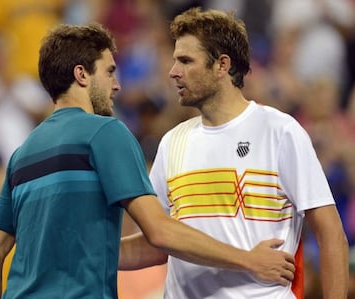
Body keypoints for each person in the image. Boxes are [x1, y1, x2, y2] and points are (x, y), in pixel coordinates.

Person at [0, 23, 296, 299]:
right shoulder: (105, 132)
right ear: (81, 75)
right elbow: (159, 232)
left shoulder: (22, 153)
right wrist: (248, 259)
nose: (117, 85)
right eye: (110, 71)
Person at [144, 7, 349, 299]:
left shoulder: (280, 131)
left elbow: (331, 235)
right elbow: (156, 241)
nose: (173, 71)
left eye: (186, 61)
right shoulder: (171, 142)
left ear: (222, 65)